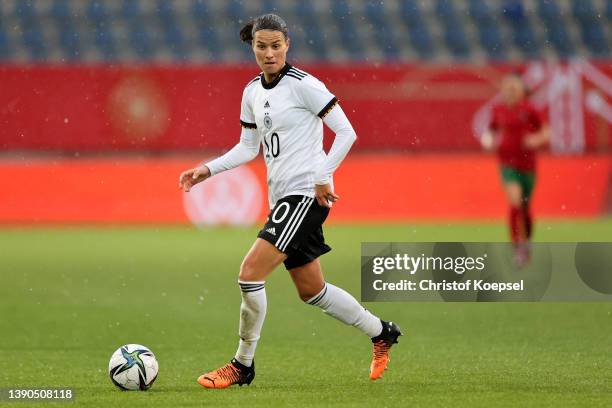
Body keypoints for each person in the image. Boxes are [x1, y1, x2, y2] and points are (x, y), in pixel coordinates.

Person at [179, 14, 401, 389]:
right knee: (312, 290)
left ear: (288, 45)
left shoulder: (305, 86)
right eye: (261, 46)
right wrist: (208, 169)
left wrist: (322, 175)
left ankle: (242, 365)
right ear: (252, 46)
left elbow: (346, 133)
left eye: (276, 45)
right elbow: (249, 147)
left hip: (305, 196)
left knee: (249, 274)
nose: (269, 53)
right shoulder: (252, 91)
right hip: (284, 199)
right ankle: (382, 332)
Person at [481, 72, 549, 267]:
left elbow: (545, 131)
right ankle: (517, 246)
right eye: (506, 88)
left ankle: (526, 243)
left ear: (521, 91)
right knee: (515, 202)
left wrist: (536, 139)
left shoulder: (530, 110)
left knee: (525, 208)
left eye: (513, 88)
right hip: (507, 164)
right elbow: (491, 129)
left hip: (528, 165)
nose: (509, 92)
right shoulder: (498, 110)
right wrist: (489, 139)